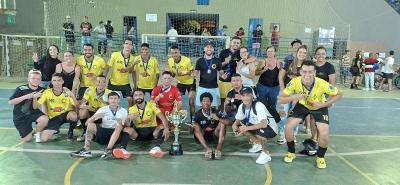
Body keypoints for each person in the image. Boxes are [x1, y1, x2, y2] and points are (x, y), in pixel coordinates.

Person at [278, 60, 342, 169]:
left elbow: (339, 94)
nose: (307, 74)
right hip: (302, 105)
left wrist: (325, 104)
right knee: (288, 127)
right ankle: (291, 152)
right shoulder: (294, 82)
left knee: (324, 133)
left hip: (319, 106)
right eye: (304, 71)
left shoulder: (322, 83)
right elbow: (281, 99)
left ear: (315, 72)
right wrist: (295, 97)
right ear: (300, 72)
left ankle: (321, 157)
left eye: (310, 71)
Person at [115, 89, 170, 159]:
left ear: (144, 95)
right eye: (136, 95)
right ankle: (123, 149)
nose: (138, 97)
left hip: (153, 132)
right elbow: (127, 125)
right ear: (133, 97)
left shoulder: (152, 105)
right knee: (126, 129)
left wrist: (166, 128)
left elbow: (162, 118)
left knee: (162, 126)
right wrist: (129, 118)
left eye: (140, 95)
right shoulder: (131, 109)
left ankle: (156, 148)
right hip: (138, 134)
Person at [71, 91, 128, 159]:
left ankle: (108, 150)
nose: (113, 100)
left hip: (116, 135)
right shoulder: (103, 109)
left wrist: (121, 121)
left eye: (115, 98)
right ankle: (86, 150)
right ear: (108, 100)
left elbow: (125, 126)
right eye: (111, 98)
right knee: (91, 125)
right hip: (103, 133)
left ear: (119, 100)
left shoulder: (123, 111)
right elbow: (86, 123)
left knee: (119, 125)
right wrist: (94, 117)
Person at [232, 87, 278, 164]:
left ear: (252, 96)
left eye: (248, 95)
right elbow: (237, 120)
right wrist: (234, 126)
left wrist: (246, 128)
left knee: (258, 133)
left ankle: (266, 154)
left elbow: (264, 124)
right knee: (241, 129)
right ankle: (258, 144)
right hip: (256, 125)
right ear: (241, 97)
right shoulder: (241, 106)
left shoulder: (258, 105)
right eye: (243, 95)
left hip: (271, 128)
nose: (245, 98)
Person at [35, 73, 79, 142]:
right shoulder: (47, 92)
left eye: (59, 80)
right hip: (53, 118)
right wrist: (34, 97)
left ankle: (70, 131)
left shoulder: (67, 92)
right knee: (43, 139)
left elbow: (76, 105)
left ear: (62, 81)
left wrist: (72, 95)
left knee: (74, 116)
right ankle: (54, 131)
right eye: (54, 80)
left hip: (66, 114)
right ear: (51, 82)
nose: (57, 83)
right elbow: (37, 105)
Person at [8, 70, 48, 142]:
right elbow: (11, 102)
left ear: (41, 80)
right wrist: (27, 96)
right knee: (27, 139)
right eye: (33, 78)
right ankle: (30, 132)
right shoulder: (21, 89)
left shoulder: (42, 90)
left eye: (38, 79)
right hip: (21, 115)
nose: (36, 80)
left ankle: (37, 133)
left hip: (33, 112)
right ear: (28, 79)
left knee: (44, 119)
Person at [192, 92, 226, 160]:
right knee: (195, 125)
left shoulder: (217, 111)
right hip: (202, 136)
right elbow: (190, 131)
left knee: (222, 123)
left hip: (214, 136)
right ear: (201, 103)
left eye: (208, 101)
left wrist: (218, 118)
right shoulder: (197, 114)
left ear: (211, 102)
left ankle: (218, 149)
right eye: (204, 101)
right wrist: (193, 127)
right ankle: (207, 149)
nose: (206, 103)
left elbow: (227, 121)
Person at [78, 75, 112, 141]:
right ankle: (85, 131)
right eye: (98, 82)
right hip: (91, 112)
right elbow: (83, 102)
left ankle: (101, 131)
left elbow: (114, 106)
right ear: (95, 83)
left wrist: (104, 101)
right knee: (82, 111)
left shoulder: (110, 92)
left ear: (106, 83)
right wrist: (83, 105)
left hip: (102, 115)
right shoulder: (89, 89)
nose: (101, 84)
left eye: (103, 82)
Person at [167, 45, 196, 119]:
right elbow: (173, 75)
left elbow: (193, 72)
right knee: (176, 102)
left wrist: (183, 73)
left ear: (179, 52)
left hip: (190, 82)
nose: (174, 55)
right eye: (172, 53)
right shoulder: (170, 61)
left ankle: (193, 121)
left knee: (191, 102)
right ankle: (175, 121)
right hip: (180, 83)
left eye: (176, 52)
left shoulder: (187, 60)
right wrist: (169, 73)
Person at [195, 42, 225, 108]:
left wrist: (223, 75)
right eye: (207, 47)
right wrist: (194, 74)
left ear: (213, 49)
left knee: (214, 107)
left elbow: (221, 71)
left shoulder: (217, 60)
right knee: (202, 106)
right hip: (202, 87)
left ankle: (214, 118)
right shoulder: (199, 60)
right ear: (204, 49)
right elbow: (196, 71)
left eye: (211, 47)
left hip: (214, 87)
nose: (209, 48)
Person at [107, 38, 135, 107]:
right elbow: (108, 67)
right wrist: (104, 79)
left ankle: (127, 115)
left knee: (130, 99)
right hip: (113, 83)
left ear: (132, 46)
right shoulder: (115, 55)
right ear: (123, 45)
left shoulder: (133, 59)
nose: (128, 46)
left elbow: (132, 72)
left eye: (130, 44)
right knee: (110, 101)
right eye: (126, 43)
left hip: (125, 84)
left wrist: (135, 85)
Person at [218, 37, 242, 105]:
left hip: (235, 82)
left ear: (240, 44)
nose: (236, 44)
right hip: (223, 80)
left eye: (238, 43)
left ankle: (232, 115)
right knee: (222, 101)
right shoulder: (223, 52)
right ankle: (221, 115)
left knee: (234, 102)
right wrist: (225, 62)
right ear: (231, 43)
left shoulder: (241, 53)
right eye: (234, 42)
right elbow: (218, 66)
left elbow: (250, 58)